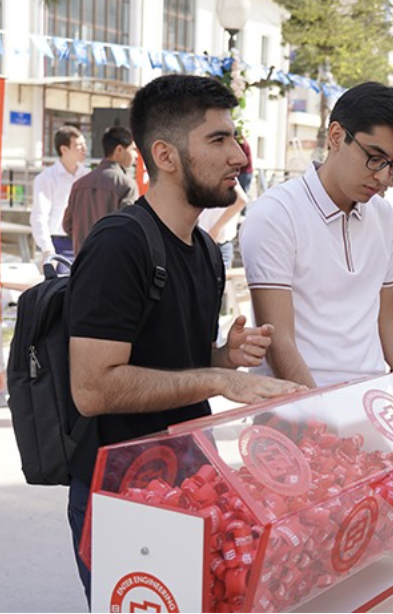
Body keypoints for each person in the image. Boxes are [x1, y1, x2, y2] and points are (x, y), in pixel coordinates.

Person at [65, 75, 303, 601]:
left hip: (189, 483)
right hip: (122, 495)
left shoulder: (203, 249)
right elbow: (93, 388)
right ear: (166, 156)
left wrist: (223, 357)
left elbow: (172, 365)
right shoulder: (119, 244)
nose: (239, 156)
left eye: (235, 138)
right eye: (218, 140)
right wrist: (218, 377)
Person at [240, 82, 393, 435]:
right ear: (336, 136)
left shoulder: (385, 217)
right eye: (375, 158)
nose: (384, 176)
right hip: (293, 418)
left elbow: (387, 321)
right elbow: (279, 339)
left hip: (370, 409)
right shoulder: (276, 213)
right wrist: (320, 421)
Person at [61, 126, 139, 256]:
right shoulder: (127, 185)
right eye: (133, 149)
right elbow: (130, 229)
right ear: (119, 150)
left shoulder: (79, 184)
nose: (136, 155)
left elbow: (67, 225)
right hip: (112, 263)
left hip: (82, 263)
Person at [30, 126, 89, 263]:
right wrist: (48, 249)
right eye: (79, 145)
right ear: (64, 149)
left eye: (84, 144)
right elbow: (39, 215)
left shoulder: (88, 176)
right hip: (58, 243)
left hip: (85, 242)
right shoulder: (46, 178)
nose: (84, 149)